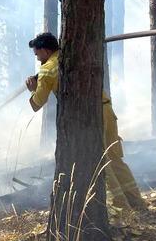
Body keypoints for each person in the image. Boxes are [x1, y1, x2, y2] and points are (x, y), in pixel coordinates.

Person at [26, 32, 147, 211]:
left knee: (100, 161)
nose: (37, 59)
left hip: (89, 117)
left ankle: (121, 208)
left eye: (37, 54)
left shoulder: (46, 69)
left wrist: (32, 89)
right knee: (114, 159)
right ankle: (137, 203)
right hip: (105, 109)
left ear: (44, 50)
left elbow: (37, 103)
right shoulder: (71, 55)